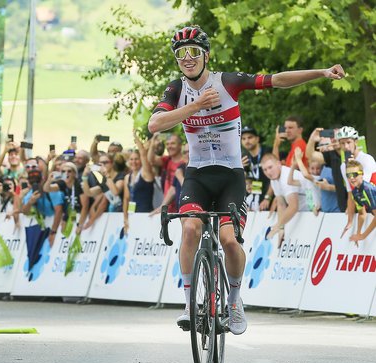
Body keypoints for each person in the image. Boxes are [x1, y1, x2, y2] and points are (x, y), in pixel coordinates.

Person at [148, 25, 345, 335]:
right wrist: (196, 106)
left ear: (206, 55)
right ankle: (188, 302)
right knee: (190, 229)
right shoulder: (176, 90)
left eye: (194, 52)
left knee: (228, 240)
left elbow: (276, 80)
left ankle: (235, 299)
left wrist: (322, 72)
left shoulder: (227, 82)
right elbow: (155, 124)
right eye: (181, 54)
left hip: (230, 176)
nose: (187, 58)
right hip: (197, 174)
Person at [305, 127, 347, 212]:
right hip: (343, 210)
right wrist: (312, 139)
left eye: (338, 136)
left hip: (356, 209)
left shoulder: (353, 156)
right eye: (332, 137)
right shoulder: (332, 155)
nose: (334, 139)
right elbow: (310, 155)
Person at [123, 132, 155, 232]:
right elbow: (126, 199)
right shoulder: (127, 177)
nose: (133, 162)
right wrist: (125, 218)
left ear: (140, 160)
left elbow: (143, 155)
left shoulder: (146, 173)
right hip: (133, 215)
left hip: (146, 215)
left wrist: (136, 139)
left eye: (136, 159)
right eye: (131, 159)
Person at [149, 133, 185, 213]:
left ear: (180, 145)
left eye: (173, 143)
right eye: (167, 144)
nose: (169, 146)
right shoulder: (167, 160)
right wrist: (153, 143)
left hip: (182, 205)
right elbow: (151, 160)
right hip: (167, 206)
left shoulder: (186, 162)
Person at [240, 125, 273, 211]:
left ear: (257, 139)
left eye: (250, 137)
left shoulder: (268, 152)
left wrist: (267, 198)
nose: (247, 141)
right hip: (256, 198)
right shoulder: (245, 157)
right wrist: (241, 169)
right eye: (243, 139)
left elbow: (276, 178)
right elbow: (248, 180)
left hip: (270, 198)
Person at [345, 160, 376, 243]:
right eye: (348, 175)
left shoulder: (367, 189)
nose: (351, 178)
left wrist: (363, 236)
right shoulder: (355, 192)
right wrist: (358, 233)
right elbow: (362, 214)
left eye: (354, 174)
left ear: (362, 174)